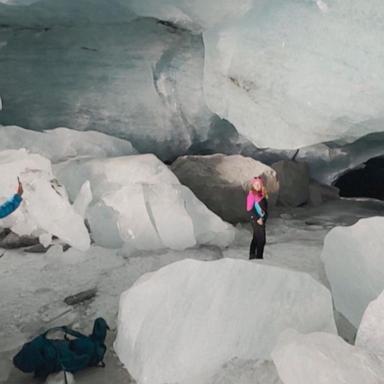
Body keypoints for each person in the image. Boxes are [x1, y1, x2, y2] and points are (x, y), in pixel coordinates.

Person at [246, 176, 268, 260]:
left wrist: (264, 218)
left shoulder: (262, 194)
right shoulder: (251, 195)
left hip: (261, 219)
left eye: (259, 184)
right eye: (255, 184)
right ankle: (259, 258)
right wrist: (258, 218)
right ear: (253, 185)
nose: (257, 185)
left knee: (256, 237)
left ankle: (252, 255)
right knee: (261, 239)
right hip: (256, 219)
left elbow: (265, 209)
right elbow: (249, 209)